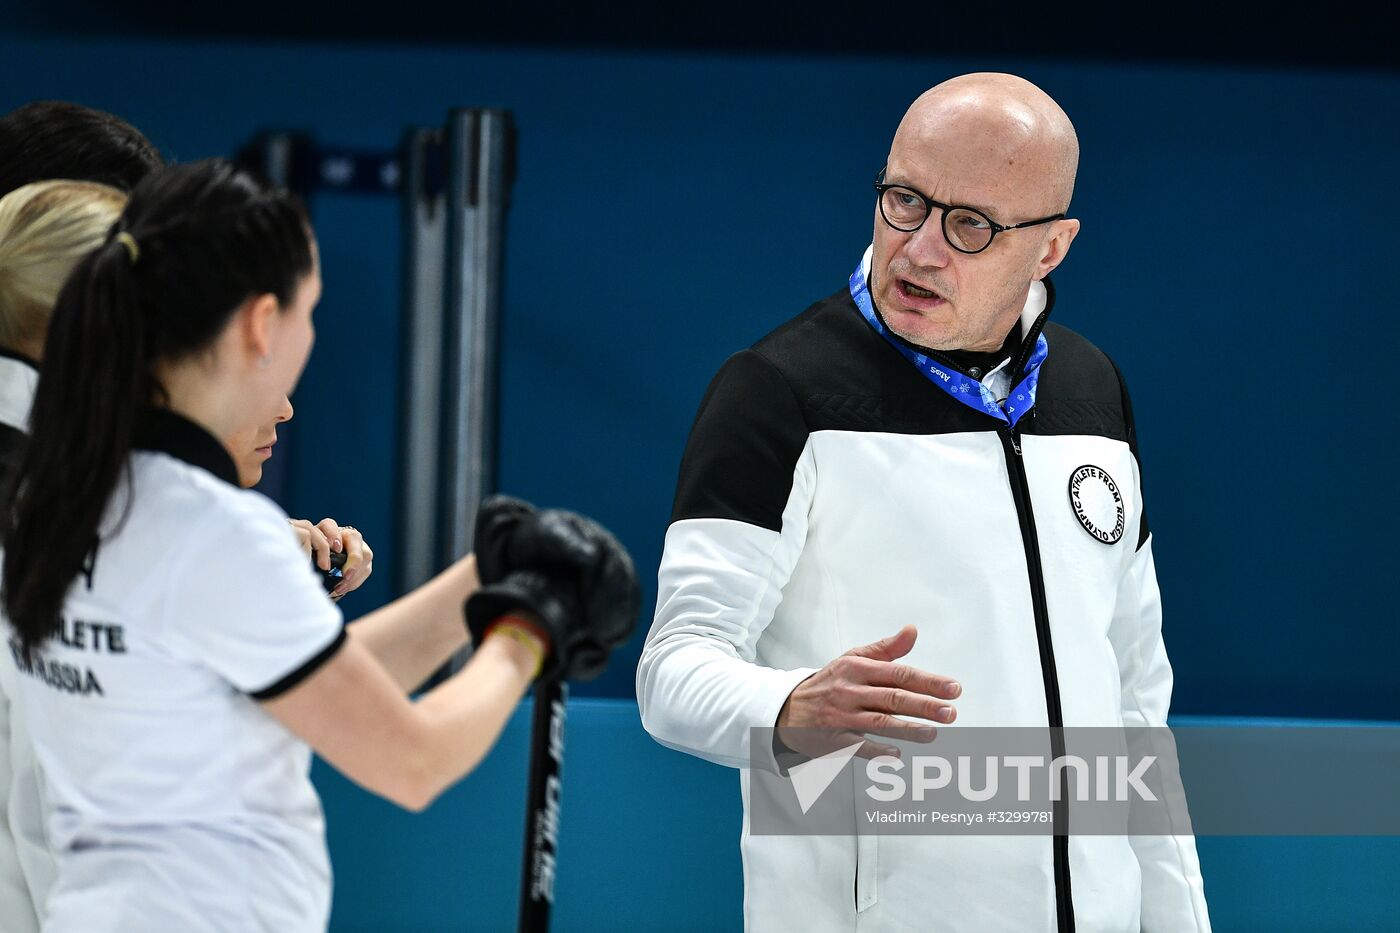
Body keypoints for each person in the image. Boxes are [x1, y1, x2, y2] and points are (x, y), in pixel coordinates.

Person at [0, 158, 639, 932]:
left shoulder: (70, 502)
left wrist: (483, 579)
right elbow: (412, 758)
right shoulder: (209, 532)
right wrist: (529, 629)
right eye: (310, 314)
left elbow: (305, 693)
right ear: (262, 324)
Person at [637, 73, 1211, 931]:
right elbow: (673, 669)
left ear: (1050, 248)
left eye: (970, 225)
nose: (919, 249)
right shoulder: (776, 391)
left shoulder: (1093, 393)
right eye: (904, 200)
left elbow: (1135, 713)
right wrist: (790, 706)